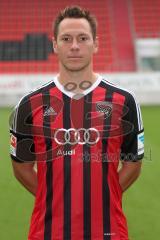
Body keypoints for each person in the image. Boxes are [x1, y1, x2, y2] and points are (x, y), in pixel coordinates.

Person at [10, 6, 144, 240]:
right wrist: (54, 197)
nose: (74, 46)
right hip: (48, 232)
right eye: (66, 39)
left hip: (108, 231)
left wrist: (102, 196)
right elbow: (21, 168)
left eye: (82, 38)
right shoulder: (29, 104)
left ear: (95, 44)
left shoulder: (124, 101)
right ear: (55, 45)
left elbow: (132, 165)